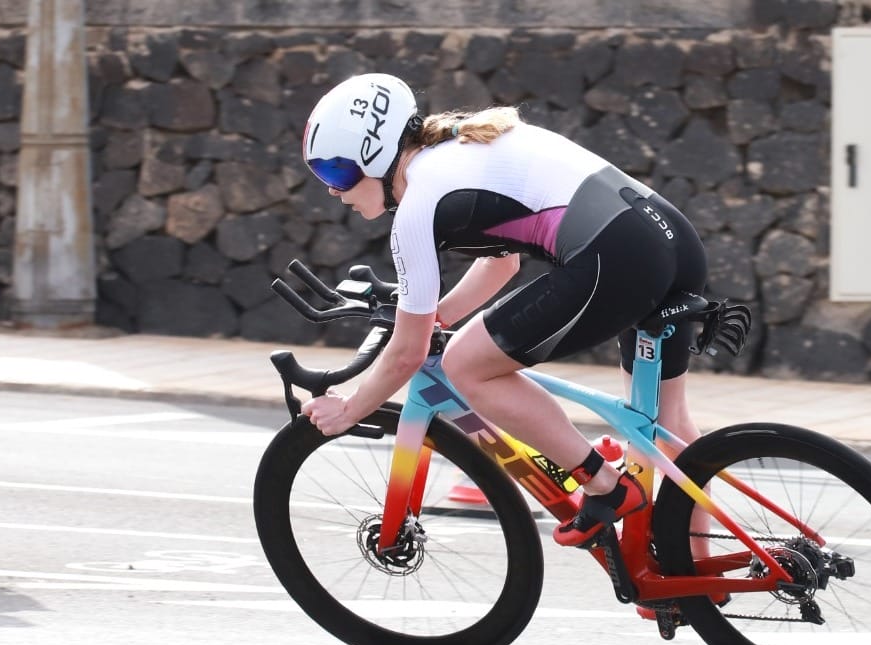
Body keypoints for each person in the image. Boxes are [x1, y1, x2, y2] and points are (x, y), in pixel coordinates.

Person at [299, 73, 708, 548]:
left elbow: (407, 354)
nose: (332, 190)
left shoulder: (418, 206)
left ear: (375, 155)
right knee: (669, 428)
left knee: (467, 366)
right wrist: (440, 316)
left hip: (616, 256)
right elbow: (501, 263)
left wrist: (350, 410)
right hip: (670, 238)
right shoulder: (462, 147)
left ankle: (604, 485)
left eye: (336, 172)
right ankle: (695, 576)